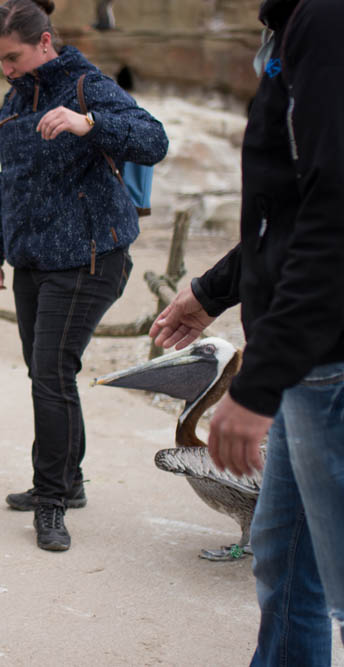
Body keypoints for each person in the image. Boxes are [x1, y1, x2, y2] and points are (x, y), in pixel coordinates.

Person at [150, 0, 344, 662]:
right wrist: (212, 291)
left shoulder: (326, 17)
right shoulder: (293, 19)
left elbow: (334, 211)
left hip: (325, 358)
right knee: (286, 564)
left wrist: (258, 384)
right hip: (305, 357)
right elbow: (285, 213)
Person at [0, 0, 168, 552]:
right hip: (32, 263)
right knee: (47, 374)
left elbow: (153, 141)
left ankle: (52, 500)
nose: (7, 69)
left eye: (12, 57)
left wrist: (91, 124)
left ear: (44, 43)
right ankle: (71, 481)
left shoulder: (88, 86)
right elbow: (5, 183)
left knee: (50, 373)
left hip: (91, 258)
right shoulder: (11, 109)